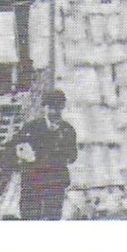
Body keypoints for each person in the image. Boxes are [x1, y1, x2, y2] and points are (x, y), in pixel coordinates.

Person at [13, 89, 78, 220]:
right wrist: (23, 155)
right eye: (50, 107)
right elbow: (15, 147)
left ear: (62, 107)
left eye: (57, 107)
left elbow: (72, 156)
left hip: (55, 182)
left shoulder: (67, 129)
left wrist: (60, 147)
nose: (54, 112)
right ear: (44, 107)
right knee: (30, 217)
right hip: (32, 181)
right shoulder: (31, 127)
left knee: (53, 216)